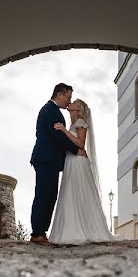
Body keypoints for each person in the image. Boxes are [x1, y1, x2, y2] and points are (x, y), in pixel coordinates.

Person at [48, 98, 120, 244]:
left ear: (78, 109)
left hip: (78, 161)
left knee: (79, 192)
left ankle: (83, 229)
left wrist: (63, 130)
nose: (71, 103)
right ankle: (70, 229)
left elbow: (81, 143)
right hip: (71, 161)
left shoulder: (80, 123)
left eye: (74, 102)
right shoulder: (73, 124)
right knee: (70, 193)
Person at [28, 83, 85, 245]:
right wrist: (76, 150)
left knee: (49, 195)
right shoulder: (51, 111)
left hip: (48, 159)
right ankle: (37, 234)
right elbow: (58, 137)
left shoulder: (52, 111)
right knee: (44, 195)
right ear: (59, 95)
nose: (69, 101)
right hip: (46, 159)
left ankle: (41, 232)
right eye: (68, 97)